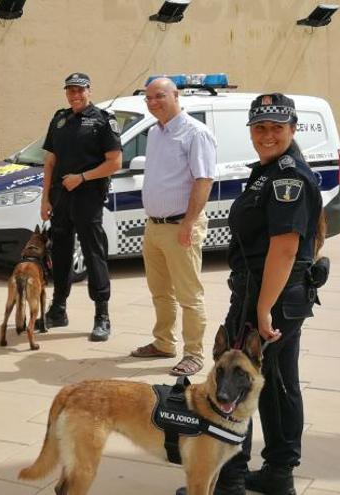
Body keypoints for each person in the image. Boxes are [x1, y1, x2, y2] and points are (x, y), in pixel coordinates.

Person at [178, 94, 324, 495]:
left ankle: (232, 480)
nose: (267, 135)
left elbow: (286, 247)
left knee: (241, 379)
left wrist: (263, 309)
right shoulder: (270, 170)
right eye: (259, 127)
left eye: (277, 127)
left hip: (269, 297)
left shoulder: (286, 177)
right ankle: (278, 474)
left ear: (293, 129)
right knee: (277, 384)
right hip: (269, 293)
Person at [129, 77, 217, 377]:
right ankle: (164, 343)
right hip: (154, 227)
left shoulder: (195, 133)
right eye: (148, 98)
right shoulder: (155, 133)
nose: (153, 102)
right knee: (160, 292)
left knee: (189, 296)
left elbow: (204, 180)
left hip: (181, 225)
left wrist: (189, 223)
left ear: (176, 95)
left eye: (159, 96)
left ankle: (194, 353)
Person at [40, 72, 122, 341]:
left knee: (93, 254)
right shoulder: (60, 119)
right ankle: (58, 309)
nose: (75, 95)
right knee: (61, 254)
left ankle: (102, 315)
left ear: (89, 90)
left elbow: (114, 162)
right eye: (70, 91)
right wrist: (45, 198)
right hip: (61, 198)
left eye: (80, 90)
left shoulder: (102, 121)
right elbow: (50, 162)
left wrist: (82, 178)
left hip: (88, 197)